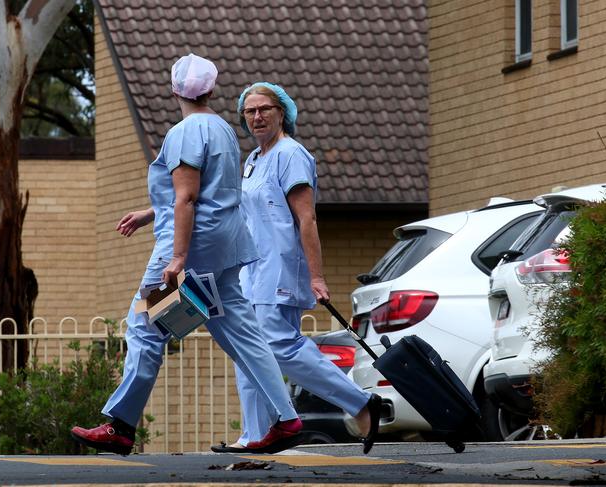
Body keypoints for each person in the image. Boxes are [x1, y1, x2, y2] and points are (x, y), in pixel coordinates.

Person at [71, 55, 303, 456]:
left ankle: (122, 427)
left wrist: (177, 258)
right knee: (242, 332)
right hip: (226, 248)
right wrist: (150, 213)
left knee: (144, 325)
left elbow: (188, 196)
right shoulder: (224, 129)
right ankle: (286, 419)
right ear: (211, 90)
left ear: (174, 89)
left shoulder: (184, 132)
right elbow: (211, 190)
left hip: (193, 250)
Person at [212, 82, 381, 455]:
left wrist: (317, 276)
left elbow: (307, 220)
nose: (257, 117)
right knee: (246, 349)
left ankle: (360, 402)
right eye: (250, 111)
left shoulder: (292, 155)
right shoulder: (253, 159)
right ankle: (256, 433)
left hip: (281, 270)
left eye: (264, 109)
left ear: (282, 112)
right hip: (249, 273)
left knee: (281, 345)